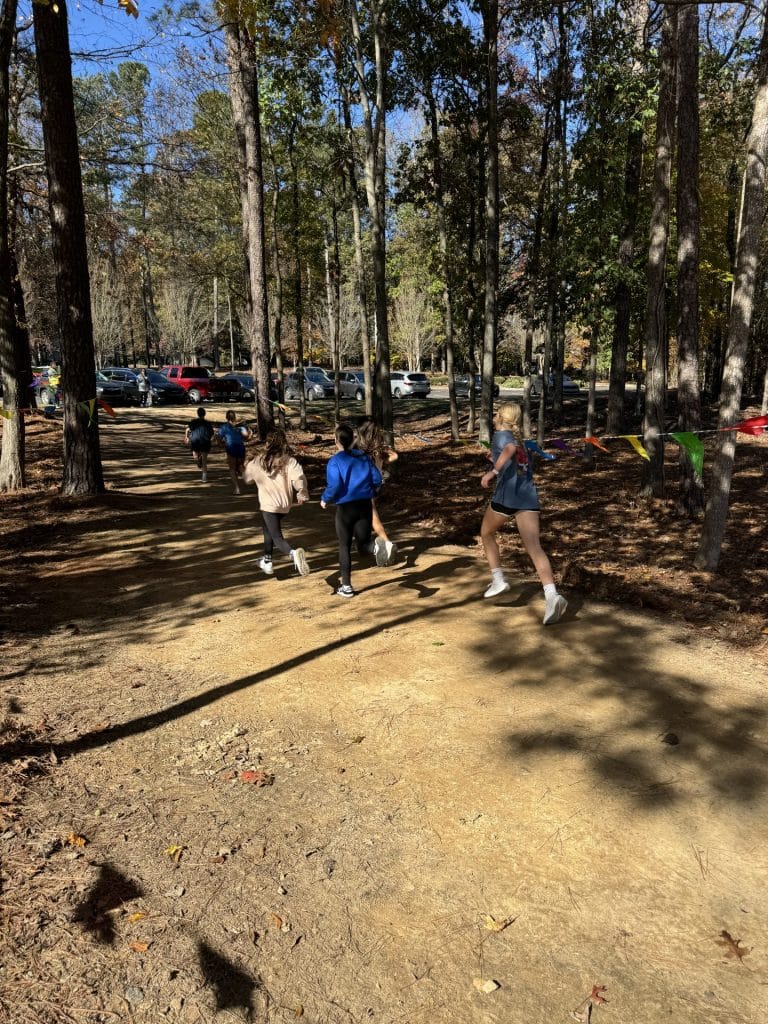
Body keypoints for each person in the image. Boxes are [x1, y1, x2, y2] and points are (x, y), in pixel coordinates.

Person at [479, 401, 567, 625]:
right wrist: (496, 459)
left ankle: (498, 579)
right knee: (534, 548)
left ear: (501, 417)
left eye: (496, 413)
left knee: (486, 534)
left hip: (507, 497)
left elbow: (508, 450)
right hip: (528, 497)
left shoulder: (501, 436)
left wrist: (492, 472)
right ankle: (551, 595)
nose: (493, 416)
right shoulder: (521, 441)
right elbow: (515, 458)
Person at [320, 421, 383, 598]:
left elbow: (334, 485)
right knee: (363, 543)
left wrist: (325, 499)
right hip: (364, 505)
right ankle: (377, 548)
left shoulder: (334, 461)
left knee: (344, 546)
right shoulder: (363, 456)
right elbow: (377, 478)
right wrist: (372, 489)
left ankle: (346, 587)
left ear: (336, 441)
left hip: (346, 508)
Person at [242, 428, 310, 577]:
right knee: (267, 529)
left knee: (277, 536)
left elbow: (247, 479)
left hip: (269, 504)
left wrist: (247, 466)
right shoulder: (289, 461)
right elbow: (299, 477)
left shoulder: (258, 460)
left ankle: (293, 554)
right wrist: (301, 492)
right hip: (284, 505)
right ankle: (267, 560)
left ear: (267, 442)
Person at [355, 417, 398, 566]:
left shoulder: (361, 449)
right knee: (366, 513)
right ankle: (366, 544)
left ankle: (386, 542)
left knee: (372, 513)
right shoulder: (377, 448)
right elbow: (394, 456)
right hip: (376, 482)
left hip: (365, 485)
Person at [217, 409, 251, 495]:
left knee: (232, 468)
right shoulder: (240, 426)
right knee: (240, 466)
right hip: (240, 448)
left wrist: (221, 444)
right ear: (234, 417)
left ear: (226, 418)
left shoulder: (224, 427)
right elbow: (246, 437)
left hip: (231, 448)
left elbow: (219, 438)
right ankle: (246, 479)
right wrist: (250, 432)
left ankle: (237, 488)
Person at [184, 407, 214, 483]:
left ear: (197, 414)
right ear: (205, 414)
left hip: (195, 441)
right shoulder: (208, 423)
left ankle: (198, 461)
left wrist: (186, 437)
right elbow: (212, 434)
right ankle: (204, 478)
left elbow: (187, 429)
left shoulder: (193, 422)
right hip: (205, 442)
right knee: (204, 461)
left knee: (195, 454)